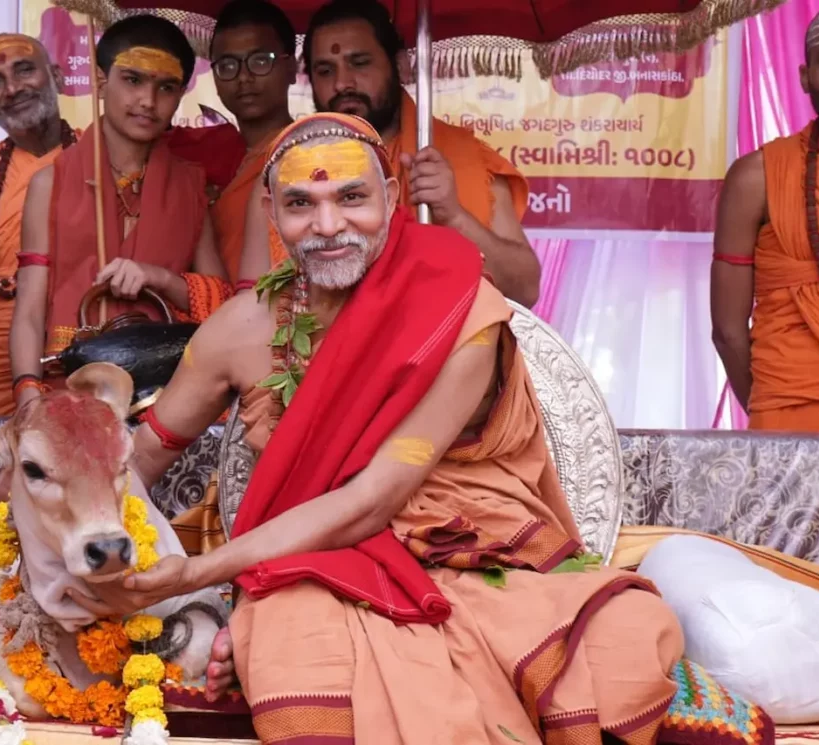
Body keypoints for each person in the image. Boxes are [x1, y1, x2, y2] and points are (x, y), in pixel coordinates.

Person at [117, 113, 683, 741]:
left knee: (625, 639)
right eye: (302, 204)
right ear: (272, 212)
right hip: (313, 566)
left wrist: (200, 574)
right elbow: (137, 462)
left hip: (473, 558)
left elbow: (372, 500)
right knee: (295, 649)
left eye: (352, 197)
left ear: (392, 197)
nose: (328, 226)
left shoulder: (461, 312)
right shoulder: (238, 331)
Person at [237, 0, 540, 307]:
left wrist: (453, 215)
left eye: (360, 62)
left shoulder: (465, 158)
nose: (342, 83)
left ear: (400, 66)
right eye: (325, 70)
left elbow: (525, 291)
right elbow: (254, 304)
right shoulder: (284, 174)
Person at [10, 15, 231, 407]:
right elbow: (28, 311)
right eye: (132, 80)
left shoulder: (190, 187)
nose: (148, 101)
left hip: (167, 396)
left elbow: (221, 303)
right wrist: (28, 395)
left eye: (165, 87)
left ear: (180, 94)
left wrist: (157, 277)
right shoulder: (50, 183)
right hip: (71, 390)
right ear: (99, 80)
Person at [712, 0, 819, 433]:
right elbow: (727, 328)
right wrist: (773, 409)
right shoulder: (756, 177)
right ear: (804, 76)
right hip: (791, 419)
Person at [0, 34, 80, 418]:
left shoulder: (98, 161)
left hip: (75, 366)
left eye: (24, 69)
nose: (13, 88)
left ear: (56, 75)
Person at [168, 0, 296, 283]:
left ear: (292, 66)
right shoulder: (207, 153)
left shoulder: (304, 152)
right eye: (227, 65)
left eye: (260, 61)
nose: (244, 78)